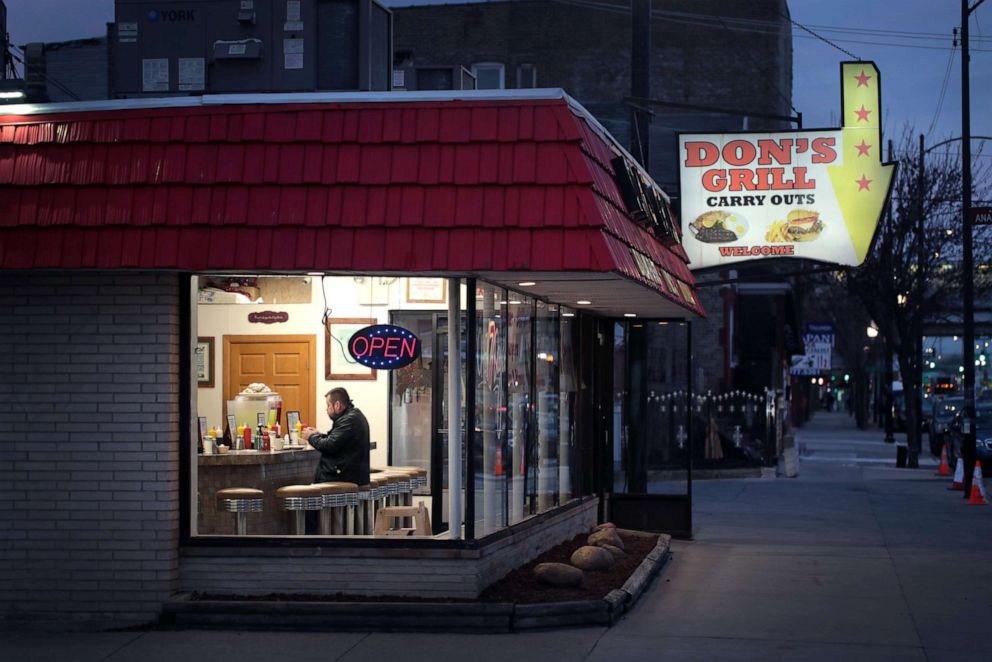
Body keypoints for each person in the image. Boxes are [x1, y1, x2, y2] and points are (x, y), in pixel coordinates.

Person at [302, 387, 370, 487]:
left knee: (309, 492)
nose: (327, 409)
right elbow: (338, 440)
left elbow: (329, 445)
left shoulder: (349, 420)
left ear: (337, 405)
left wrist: (311, 437)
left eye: (328, 405)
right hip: (352, 476)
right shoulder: (353, 416)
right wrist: (319, 435)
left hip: (342, 477)